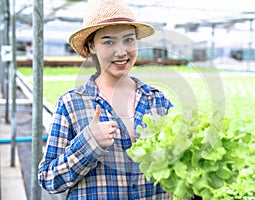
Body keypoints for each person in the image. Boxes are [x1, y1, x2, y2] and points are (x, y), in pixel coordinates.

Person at [38, 0, 173, 199]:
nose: (121, 52)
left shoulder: (158, 101)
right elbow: (49, 179)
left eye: (128, 40)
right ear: (91, 46)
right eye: (108, 41)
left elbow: (177, 170)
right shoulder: (72, 104)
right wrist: (89, 142)